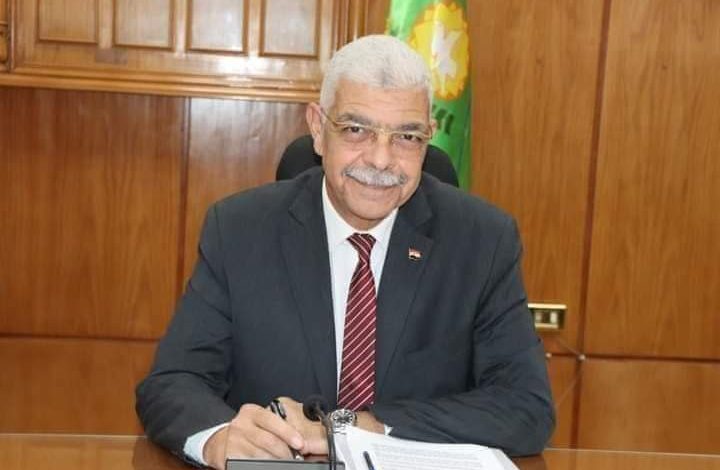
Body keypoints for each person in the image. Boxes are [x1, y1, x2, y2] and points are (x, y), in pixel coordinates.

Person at [136, 35, 555, 469]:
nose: (381, 160)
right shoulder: (240, 230)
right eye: (357, 130)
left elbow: (526, 408)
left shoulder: (482, 241)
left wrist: (355, 426)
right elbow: (172, 382)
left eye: (407, 136)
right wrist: (219, 440)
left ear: (428, 138)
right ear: (318, 128)